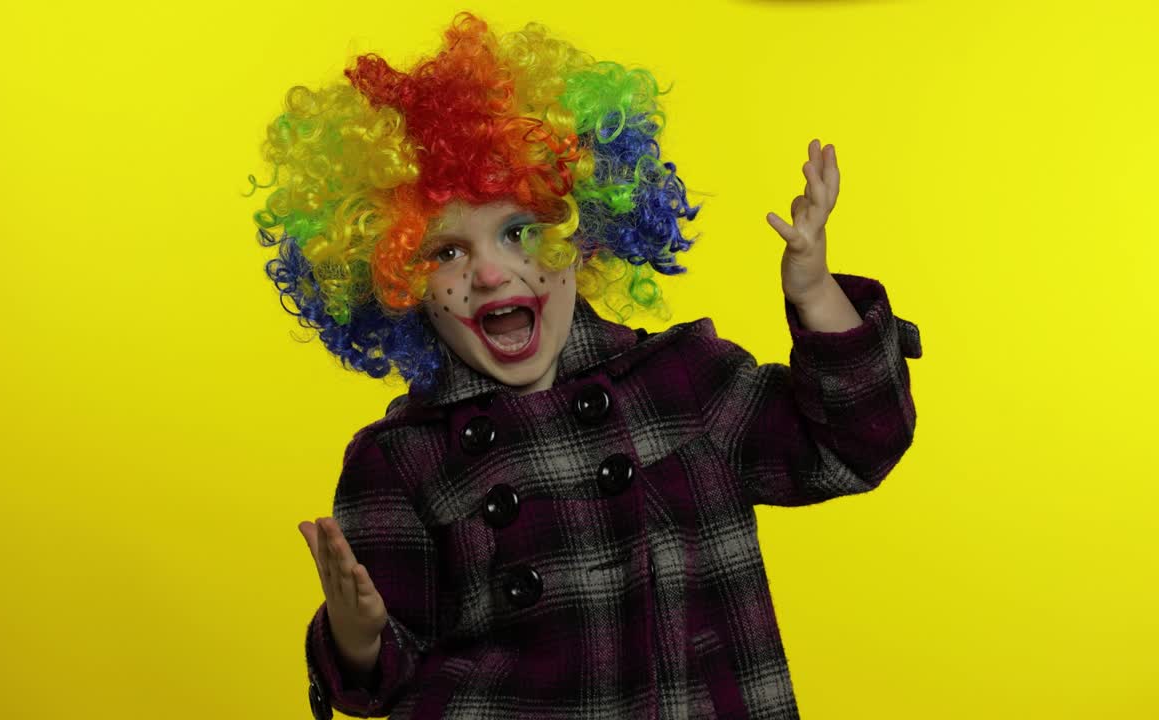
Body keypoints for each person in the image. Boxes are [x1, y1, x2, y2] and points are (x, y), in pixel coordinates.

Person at [247, 12, 922, 719]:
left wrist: (815, 292)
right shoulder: (401, 461)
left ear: (582, 230)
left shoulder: (684, 384)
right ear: (395, 281)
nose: (491, 272)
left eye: (520, 230)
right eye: (445, 252)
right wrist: (356, 636)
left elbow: (857, 443)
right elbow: (378, 681)